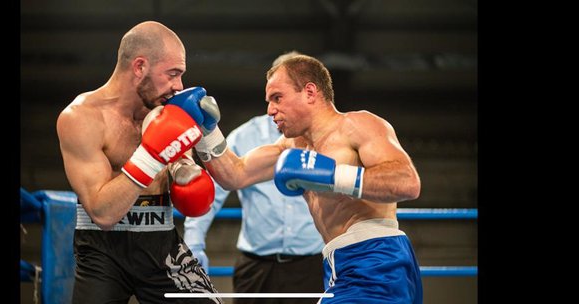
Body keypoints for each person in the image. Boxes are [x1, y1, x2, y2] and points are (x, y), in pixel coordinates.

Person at [170, 54, 423, 303]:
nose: (270, 110)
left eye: (277, 98)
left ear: (310, 92)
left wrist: (333, 176)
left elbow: (407, 182)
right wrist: (206, 130)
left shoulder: (357, 125)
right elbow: (234, 174)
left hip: (378, 259)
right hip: (339, 265)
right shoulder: (292, 147)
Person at [56, 21, 221, 303]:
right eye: (172, 74)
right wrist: (151, 155)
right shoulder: (81, 118)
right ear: (139, 67)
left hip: (161, 243)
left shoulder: (167, 109)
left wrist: (186, 172)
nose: (178, 86)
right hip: (100, 251)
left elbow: (189, 178)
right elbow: (102, 213)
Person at [183, 51, 325, 304]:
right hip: (257, 265)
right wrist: (193, 242)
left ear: (307, 92)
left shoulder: (329, 137)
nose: (274, 105)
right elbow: (218, 187)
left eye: (280, 96)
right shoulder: (246, 136)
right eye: (273, 96)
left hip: (312, 263)